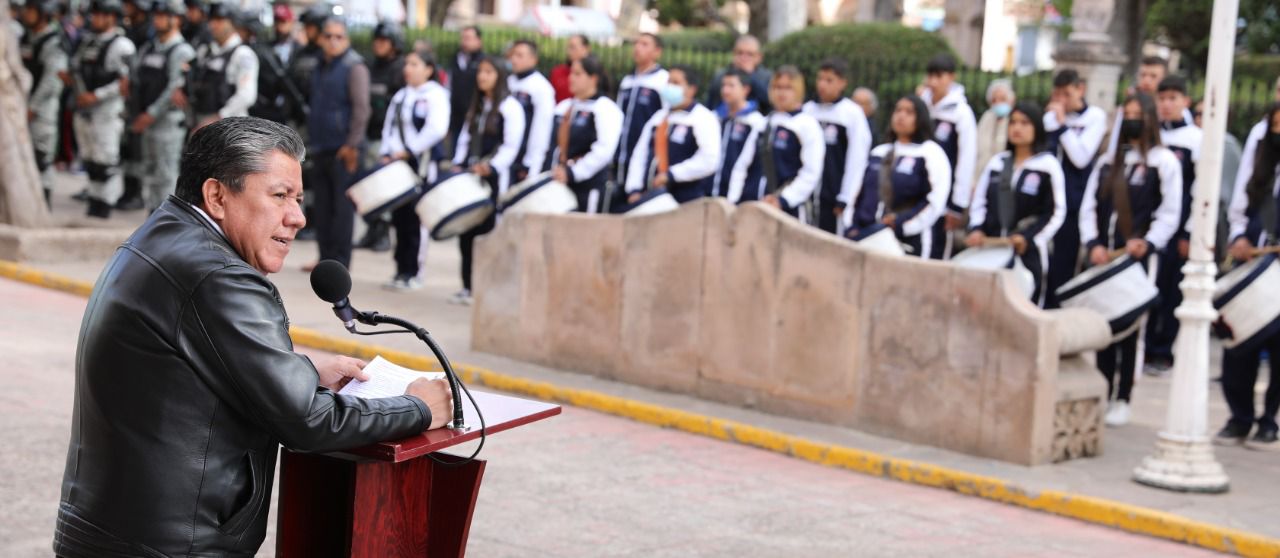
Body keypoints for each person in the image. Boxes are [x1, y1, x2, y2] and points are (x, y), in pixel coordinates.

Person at [51, 117, 455, 557]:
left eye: (298, 198)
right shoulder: (219, 276)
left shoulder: (162, 238)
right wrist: (418, 408)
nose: (297, 217)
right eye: (279, 195)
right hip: (171, 545)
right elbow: (308, 422)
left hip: (114, 533)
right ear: (217, 196)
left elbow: (190, 372)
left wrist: (302, 372)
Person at [1078, 93, 1182, 427]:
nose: (1134, 120)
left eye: (1140, 114)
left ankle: (1123, 396)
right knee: (1105, 326)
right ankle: (1104, 388)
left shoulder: (1163, 162)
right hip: (1105, 256)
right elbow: (1089, 207)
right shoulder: (1109, 163)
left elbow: (1169, 213)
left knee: (1130, 328)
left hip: (1136, 259)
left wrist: (1148, 243)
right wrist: (1092, 242)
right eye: (1130, 114)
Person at [1219, 102, 1280, 450]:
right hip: (1255, 261)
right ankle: (1239, 416)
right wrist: (1239, 236)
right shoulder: (1261, 156)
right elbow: (1242, 201)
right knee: (1240, 340)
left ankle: (1269, 418)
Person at [966, 103, 1066, 305]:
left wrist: (1028, 239)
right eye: (1013, 123)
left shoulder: (1047, 166)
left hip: (1027, 255)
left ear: (1037, 128)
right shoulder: (998, 163)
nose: (1017, 128)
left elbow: (1055, 212)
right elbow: (980, 202)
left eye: (1024, 123)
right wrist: (976, 228)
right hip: (991, 250)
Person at [1143, 76, 1202, 375]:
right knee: (1149, 286)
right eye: (1161, 99)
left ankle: (1162, 350)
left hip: (1179, 226)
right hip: (1151, 225)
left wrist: (1190, 231)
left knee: (1172, 288)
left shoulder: (1196, 139)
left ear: (1185, 101)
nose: (1166, 105)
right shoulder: (1152, 136)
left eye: (1172, 98)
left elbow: (1201, 189)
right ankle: (1145, 344)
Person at [452, 55, 522, 305]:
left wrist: (490, 167)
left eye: (489, 72)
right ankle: (468, 285)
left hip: (493, 179)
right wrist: (460, 163)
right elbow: (464, 138)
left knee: (488, 231)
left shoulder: (510, 107)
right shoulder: (478, 105)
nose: (482, 76)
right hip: (470, 177)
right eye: (480, 71)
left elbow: (511, 146)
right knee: (466, 230)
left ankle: (488, 285)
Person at [301, 16, 369, 271]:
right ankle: (325, 259)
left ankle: (339, 263)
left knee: (342, 210)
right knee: (322, 206)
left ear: (347, 40)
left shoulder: (355, 67)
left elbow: (362, 110)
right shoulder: (319, 65)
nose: (332, 41)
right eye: (328, 36)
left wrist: (352, 144)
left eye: (338, 36)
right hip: (321, 145)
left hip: (344, 149)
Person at [377, 48, 448, 290]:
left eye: (415, 64)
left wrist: (410, 149)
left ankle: (414, 271)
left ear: (428, 69)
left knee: (417, 217)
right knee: (399, 217)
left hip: (421, 165)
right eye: (407, 63)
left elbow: (436, 129)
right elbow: (389, 128)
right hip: (399, 165)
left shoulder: (435, 95)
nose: (408, 68)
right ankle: (400, 269)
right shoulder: (401, 95)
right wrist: (388, 152)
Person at [848, 95, 951, 259]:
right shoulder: (880, 152)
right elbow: (857, 192)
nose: (901, 116)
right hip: (868, 236)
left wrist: (900, 224)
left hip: (908, 240)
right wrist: (852, 225)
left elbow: (934, 201)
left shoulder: (931, 154)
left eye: (909, 112)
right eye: (898, 110)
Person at [1043, 68, 1107, 308]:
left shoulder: (1095, 117)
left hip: (1073, 201)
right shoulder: (1052, 116)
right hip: (1049, 200)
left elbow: (1081, 157)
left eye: (1067, 95)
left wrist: (1062, 127)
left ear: (1080, 89)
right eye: (1057, 95)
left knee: (1064, 262)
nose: (1062, 101)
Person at [70, 0, 136, 219]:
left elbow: (125, 81)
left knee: (106, 159)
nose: (95, 18)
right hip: (84, 109)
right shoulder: (88, 41)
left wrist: (96, 96)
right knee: (90, 158)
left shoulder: (122, 45)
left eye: (100, 14)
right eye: (94, 14)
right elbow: (77, 69)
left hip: (107, 111)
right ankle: (95, 200)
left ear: (111, 17)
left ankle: (106, 203)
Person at [128, 0, 194, 212]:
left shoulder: (182, 50)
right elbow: (137, 80)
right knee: (150, 172)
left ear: (176, 20)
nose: (157, 20)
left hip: (167, 122)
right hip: (146, 120)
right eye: (156, 15)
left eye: (162, 15)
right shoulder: (149, 47)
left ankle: (165, 223)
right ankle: (153, 219)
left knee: (166, 175)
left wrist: (151, 114)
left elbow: (174, 90)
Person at [625, 65, 720, 205]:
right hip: (650, 198)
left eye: (676, 83)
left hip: (686, 201)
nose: (669, 86)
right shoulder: (659, 117)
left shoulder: (702, 118)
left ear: (691, 89)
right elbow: (640, 154)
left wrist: (671, 175)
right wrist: (633, 189)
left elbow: (709, 160)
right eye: (668, 82)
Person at [353, 20, 405, 253]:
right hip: (368, 133)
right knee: (367, 186)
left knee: (382, 186)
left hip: (386, 139)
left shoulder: (400, 69)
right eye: (377, 40)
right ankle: (371, 229)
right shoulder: (370, 66)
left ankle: (383, 232)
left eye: (383, 41)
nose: (378, 45)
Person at [803, 58, 871, 234]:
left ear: (842, 83)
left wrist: (846, 196)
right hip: (807, 194)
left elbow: (857, 159)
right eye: (820, 79)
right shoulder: (808, 110)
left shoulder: (851, 114)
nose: (822, 85)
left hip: (833, 197)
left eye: (829, 80)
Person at [546, 55, 621, 213]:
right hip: (559, 183)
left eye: (578, 74)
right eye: (571, 73)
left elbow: (604, 150)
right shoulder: (565, 107)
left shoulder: (605, 108)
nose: (571, 78)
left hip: (589, 186)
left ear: (593, 78)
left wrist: (573, 173)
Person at [919, 54, 976, 255]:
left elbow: (966, 159)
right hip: (918, 190)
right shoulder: (921, 106)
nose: (933, 82)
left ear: (951, 77)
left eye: (939, 76)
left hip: (945, 195)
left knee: (937, 248)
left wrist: (958, 204)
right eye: (930, 76)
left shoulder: (961, 113)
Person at [757, 65, 825, 221]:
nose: (781, 92)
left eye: (788, 88)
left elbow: (811, 171)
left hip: (790, 208)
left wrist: (784, 199)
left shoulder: (807, 124)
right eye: (777, 87)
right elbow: (744, 165)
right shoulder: (764, 122)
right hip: (758, 204)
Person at [19, 0, 68, 207]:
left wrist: (33, 107)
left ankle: (44, 202)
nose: (26, 14)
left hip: (42, 110)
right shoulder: (25, 37)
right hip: (22, 107)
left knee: (41, 158)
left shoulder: (53, 42)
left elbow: (52, 81)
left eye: (32, 10)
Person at [613, 32, 668, 201]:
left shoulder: (663, 80)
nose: (637, 48)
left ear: (657, 51)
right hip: (622, 152)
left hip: (644, 153)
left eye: (644, 44)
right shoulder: (627, 80)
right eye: (636, 43)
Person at [187, 2, 257, 129]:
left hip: (231, 125)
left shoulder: (242, 54)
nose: (213, 25)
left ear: (232, 22)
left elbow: (246, 96)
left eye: (219, 20)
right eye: (211, 20)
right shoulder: (205, 50)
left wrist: (218, 117)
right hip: (200, 120)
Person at [710, 69, 765, 203]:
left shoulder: (756, 122)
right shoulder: (714, 117)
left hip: (739, 196)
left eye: (731, 85)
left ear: (745, 89)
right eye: (723, 85)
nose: (725, 90)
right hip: (709, 192)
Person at [506, 38, 555, 181]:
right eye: (513, 55)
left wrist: (531, 164)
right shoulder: (509, 82)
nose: (514, 60)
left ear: (533, 59)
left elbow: (541, 130)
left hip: (523, 158)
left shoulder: (541, 88)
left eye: (519, 55)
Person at [705, 34, 772, 115]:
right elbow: (711, 104)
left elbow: (770, 103)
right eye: (740, 53)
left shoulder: (767, 77)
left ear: (759, 57)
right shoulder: (721, 76)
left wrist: (750, 76)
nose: (744, 58)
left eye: (750, 54)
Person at [447, 25, 483, 158]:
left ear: (479, 41)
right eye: (463, 38)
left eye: (468, 38)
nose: (464, 42)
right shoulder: (455, 59)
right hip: (456, 114)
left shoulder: (482, 61)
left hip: (473, 115)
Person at [974, 79, 1014, 189]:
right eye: (994, 100)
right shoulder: (987, 117)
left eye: (1002, 99)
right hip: (980, 178)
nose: (998, 103)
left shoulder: (1014, 120)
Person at [550, 33, 588, 103]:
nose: (569, 51)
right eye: (568, 47)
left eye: (573, 47)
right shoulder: (557, 72)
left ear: (585, 49)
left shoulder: (593, 75)